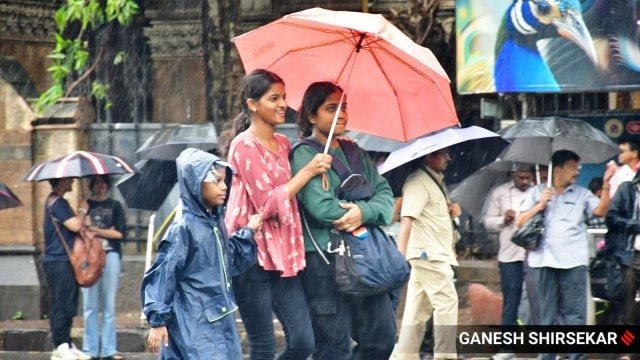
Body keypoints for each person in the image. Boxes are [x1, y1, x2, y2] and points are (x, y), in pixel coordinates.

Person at [221, 70, 331, 360]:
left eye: (283, 97)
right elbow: (267, 203)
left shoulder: (284, 144)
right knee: (262, 345)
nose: (283, 103)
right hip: (250, 254)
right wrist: (307, 171)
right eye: (274, 98)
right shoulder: (243, 146)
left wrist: (318, 175)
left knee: (303, 341)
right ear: (253, 104)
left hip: (284, 254)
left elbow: (291, 194)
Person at [291, 81, 396, 360]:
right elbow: (322, 208)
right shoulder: (304, 154)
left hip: (364, 257)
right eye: (331, 108)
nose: (341, 115)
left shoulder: (355, 152)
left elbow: (385, 197)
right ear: (312, 116)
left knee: (381, 338)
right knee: (332, 347)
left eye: (344, 107)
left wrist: (363, 212)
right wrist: (361, 208)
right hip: (324, 261)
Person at [141, 148, 259, 359]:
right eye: (216, 181)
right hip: (193, 323)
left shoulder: (214, 223)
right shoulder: (184, 228)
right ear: (196, 183)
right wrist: (157, 321)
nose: (224, 187)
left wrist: (248, 232)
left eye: (225, 181)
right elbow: (164, 273)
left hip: (218, 319)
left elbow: (225, 260)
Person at [516, 150, 615, 360]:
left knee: (575, 316)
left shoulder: (581, 193)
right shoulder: (537, 192)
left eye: (577, 166)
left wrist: (606, 183)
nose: (577, 171)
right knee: (547, 316)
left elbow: (600, 211)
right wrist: (540, 205)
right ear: (557, 169)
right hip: (543, 261)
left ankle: (576, 357)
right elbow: (520, 222)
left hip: (574, 263)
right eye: (572, 166)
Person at [391, 148, 461, 360]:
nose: (449, 158)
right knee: (447, 302)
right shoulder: (418, 181)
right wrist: (399, 256)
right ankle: (445, 356)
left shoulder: (435, 182)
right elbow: (407, 219)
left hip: (434, 250)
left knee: (417, 310)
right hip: (428, 253)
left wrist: (452, 211)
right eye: (444, 154)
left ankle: (403, 357)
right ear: (429, 156)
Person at [483, 165, 533, 360]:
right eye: (521, 177)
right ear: (513, 175)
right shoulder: (500, 193)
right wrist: (503, 219)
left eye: (528, 177)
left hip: (534, 255)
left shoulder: (538, 192)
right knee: (511, 301)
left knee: (541, 300)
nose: (525, 181)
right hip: (510, 255)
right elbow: (488, 222)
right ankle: (507, 347)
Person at [43, 177, 92, 360]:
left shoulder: (57, 201)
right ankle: (60, 345)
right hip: (58, 260)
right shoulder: (57, 202)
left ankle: (67, 342)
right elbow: (75, 225)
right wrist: (82, 209)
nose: (72, 182)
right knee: (61, 302)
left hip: (65, 259)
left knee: (69, 302)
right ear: (62, 181)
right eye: (70, 179)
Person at [81, 175, 127, 360]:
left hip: (110, 256)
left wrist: (96, 230)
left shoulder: (115, 206)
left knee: (109, 306)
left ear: (107, 185)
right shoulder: (86, 206)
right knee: (90, 306)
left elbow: (119, 233)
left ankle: (109, 349)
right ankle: (90, 349)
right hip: (88, 258)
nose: (100, 186)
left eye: (103, 182)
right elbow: (80, 230)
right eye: (96, 182)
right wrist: (82, 210)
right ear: (92, 185)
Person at [603, 170, 640, 326]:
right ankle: (626, 348)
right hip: (630, 255)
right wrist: (635, 225)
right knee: (626, 308)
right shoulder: (627, 189)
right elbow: (611, 217)